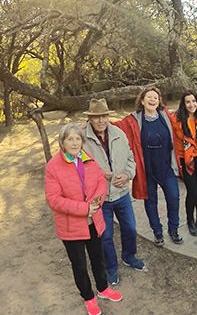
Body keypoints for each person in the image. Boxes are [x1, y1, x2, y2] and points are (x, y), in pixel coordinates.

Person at [46, 123, 123, 315]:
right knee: (79, 264)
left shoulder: (88, 159)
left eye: (78, 138)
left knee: (98, 258)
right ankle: (88, 297)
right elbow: (54, 200)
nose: (74, 142)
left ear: (82, 141)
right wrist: (84, 209)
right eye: (70, 139)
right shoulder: (53, 166)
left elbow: (100, 182)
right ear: (62, 142)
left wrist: (96, 202)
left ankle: (103, 288)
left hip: (93, 221)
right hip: (71, 227)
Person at [82, 99, 145, 286]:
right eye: (96, 117)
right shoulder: (82, 139)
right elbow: (77, 167)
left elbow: (130, 158)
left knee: (130, 228)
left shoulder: (119, 133)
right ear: (90, 119)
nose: (101, 120)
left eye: (104, 116)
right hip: (100, 198)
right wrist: (98, 174)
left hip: (121, 193)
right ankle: (111, 268)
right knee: (105, 236)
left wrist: (127, 174)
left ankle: (129, 256)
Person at [115, 87, 182, 247]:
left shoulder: (166, 116)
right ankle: (157, 232)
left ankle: (174, 230)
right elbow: (114, 126)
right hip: (146, 170)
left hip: (166, 168)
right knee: (150, 202)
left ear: (159, 101)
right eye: (149, 97)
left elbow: (184, 123)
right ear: (142, 101)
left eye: (155, 98)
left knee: (174, 198)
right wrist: (88, 126)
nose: (152, 100)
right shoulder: (133, 120)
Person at [171, 91, 197, 237]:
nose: (191, 104)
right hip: (185, 158)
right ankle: (190, 220)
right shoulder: (177, 120)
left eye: (193, 101)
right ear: (183, 103)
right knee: (192, 190)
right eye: (188, 102)